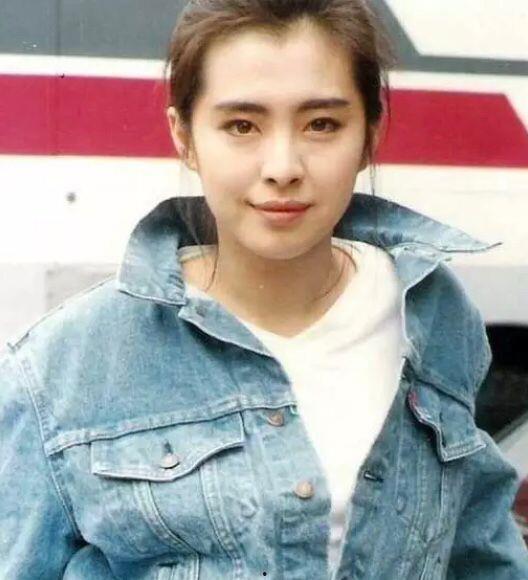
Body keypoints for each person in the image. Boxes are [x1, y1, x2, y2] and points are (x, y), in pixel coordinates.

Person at [1, 0, 527, 578]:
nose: (282, 166)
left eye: (321, 124)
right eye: (242, 126)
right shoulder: (61, 369)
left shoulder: (430, 314)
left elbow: (482, 553)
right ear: (184, 135)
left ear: (370, 134)